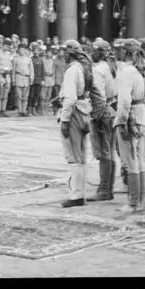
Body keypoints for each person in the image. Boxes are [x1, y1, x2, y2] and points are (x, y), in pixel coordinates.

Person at [113, 39, 145, 212]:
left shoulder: (127, 72)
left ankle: (133, 203)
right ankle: (141, 200)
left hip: (131, 118)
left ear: (126, 52)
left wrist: (121, 121)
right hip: (143, 115)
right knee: (140, 160)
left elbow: (124, 101)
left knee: (130, 161)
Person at [57, 40, 93, 208]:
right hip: (84, 109)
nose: (63, 54)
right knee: (81, 155)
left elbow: (71, 98)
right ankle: (80, 193)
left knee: (73, 156)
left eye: (65, 51)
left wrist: (64, 120)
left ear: (70, 53)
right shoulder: (84, 68)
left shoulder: (72, 70)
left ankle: (76, 195)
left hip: (74, 113)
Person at [87, 40, 117, 202]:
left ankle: (105, 189)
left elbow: (98, 96)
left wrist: (95, 116)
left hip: (102, 112)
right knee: (110, 151)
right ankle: (107, 188)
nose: (92, 53)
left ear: (101, 52)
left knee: (104, 152)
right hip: (112, 110)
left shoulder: (98, 69)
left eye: (94, 50)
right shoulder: (113, 67)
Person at [13, 43, 34, 117]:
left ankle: (24, 110)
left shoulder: (28, 59)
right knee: (19, 96)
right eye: (20, 49)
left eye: (23, 49)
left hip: (26, 78)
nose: (21, 50)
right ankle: (20, 111)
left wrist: (31, 78)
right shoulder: (16, 59)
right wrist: (13, 80)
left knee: (25, 96)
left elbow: (31, 70)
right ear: (18, 50)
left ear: (25, 50)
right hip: (18, 77)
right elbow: (14, 70)